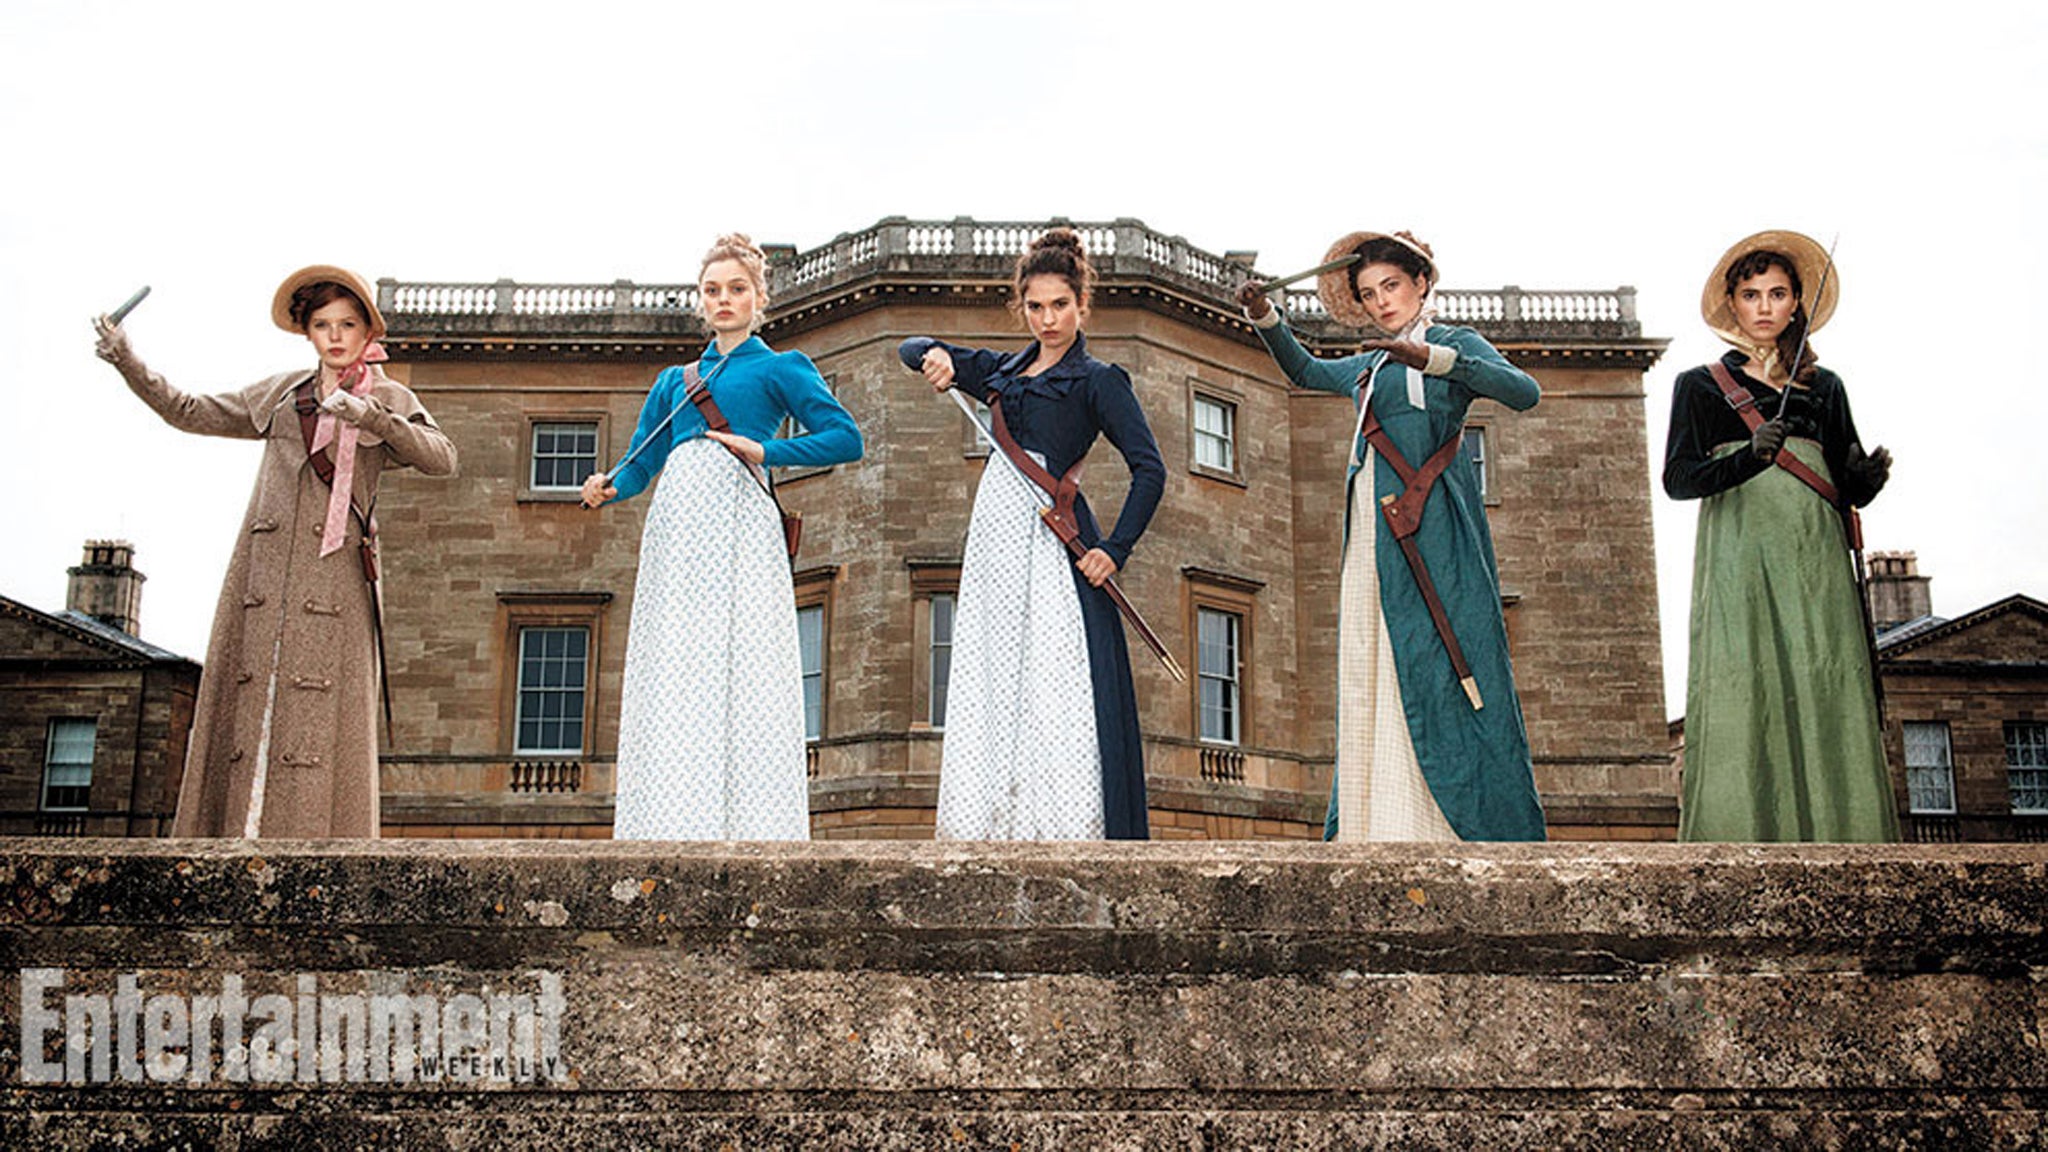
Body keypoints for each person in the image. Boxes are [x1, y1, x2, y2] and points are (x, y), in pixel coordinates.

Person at [91, 265, 458, 837]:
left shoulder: (388, 395)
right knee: (250, 702)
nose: (335, 336)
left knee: (324, 717)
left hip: (335, 575)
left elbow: (443, 457)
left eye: (347, 324)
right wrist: (127, 361)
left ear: (367, 333)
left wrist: (375, 420)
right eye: (322, 325)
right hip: (262, 573)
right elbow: (188, 410)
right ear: (307, 333)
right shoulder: (283, 395)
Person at [1236, 231, 1545, 841]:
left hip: (1433, 524)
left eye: (1392, 286)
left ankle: (1450, 823)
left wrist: (1437, 361)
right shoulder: (1370, 362)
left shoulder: (1456, 343)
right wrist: (1264, 315)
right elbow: (1305, 370)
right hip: (1372, 524)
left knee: (1440, 649)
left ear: (1421, 283)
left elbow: (1525, 393)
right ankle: (1375, 820)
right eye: (1369, 293)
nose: (1381, 302)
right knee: (1372, 654)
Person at [581, 233, 862, 840]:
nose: (723, 300)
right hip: (678, 526)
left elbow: (846, 437)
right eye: (712, 291)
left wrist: (767, 449)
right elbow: (640, 463)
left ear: (759, 296)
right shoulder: (672, 380)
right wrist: (609, 484)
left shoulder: (782, 368)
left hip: (741, 518)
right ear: (700, 300)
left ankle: (750, 820)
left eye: (736, 289)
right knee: (679, 657)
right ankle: (671, 814)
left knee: (744, 655)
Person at [898, 228, 1165, 840]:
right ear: (1021, 307)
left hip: (1054, 537)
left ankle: (1065, 825)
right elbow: (912, 346)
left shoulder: (1100, 380)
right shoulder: (999, 370)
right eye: (1036, 306)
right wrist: (933, 357)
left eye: (1060, 305)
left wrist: (1113, 550)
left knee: (1057, 680)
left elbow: (1150, 470)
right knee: (993, 672)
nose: (1048, 319)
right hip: (994, 535)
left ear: (1082, 305)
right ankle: (993, 823)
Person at [1664, 229, 1896, 842]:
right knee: (1746, 680)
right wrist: (1748, 458)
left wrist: (1866, 479)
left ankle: (1846, 836)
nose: (1764, 306)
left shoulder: (1827, 387)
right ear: (1732, 304)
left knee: (1824, 675)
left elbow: (1845, 485)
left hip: (1815, 556)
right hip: (1740, 553)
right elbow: (1679, 480)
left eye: (1777, 293)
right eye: (1750, 294)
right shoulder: (1700, 384)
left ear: (1797, 303)